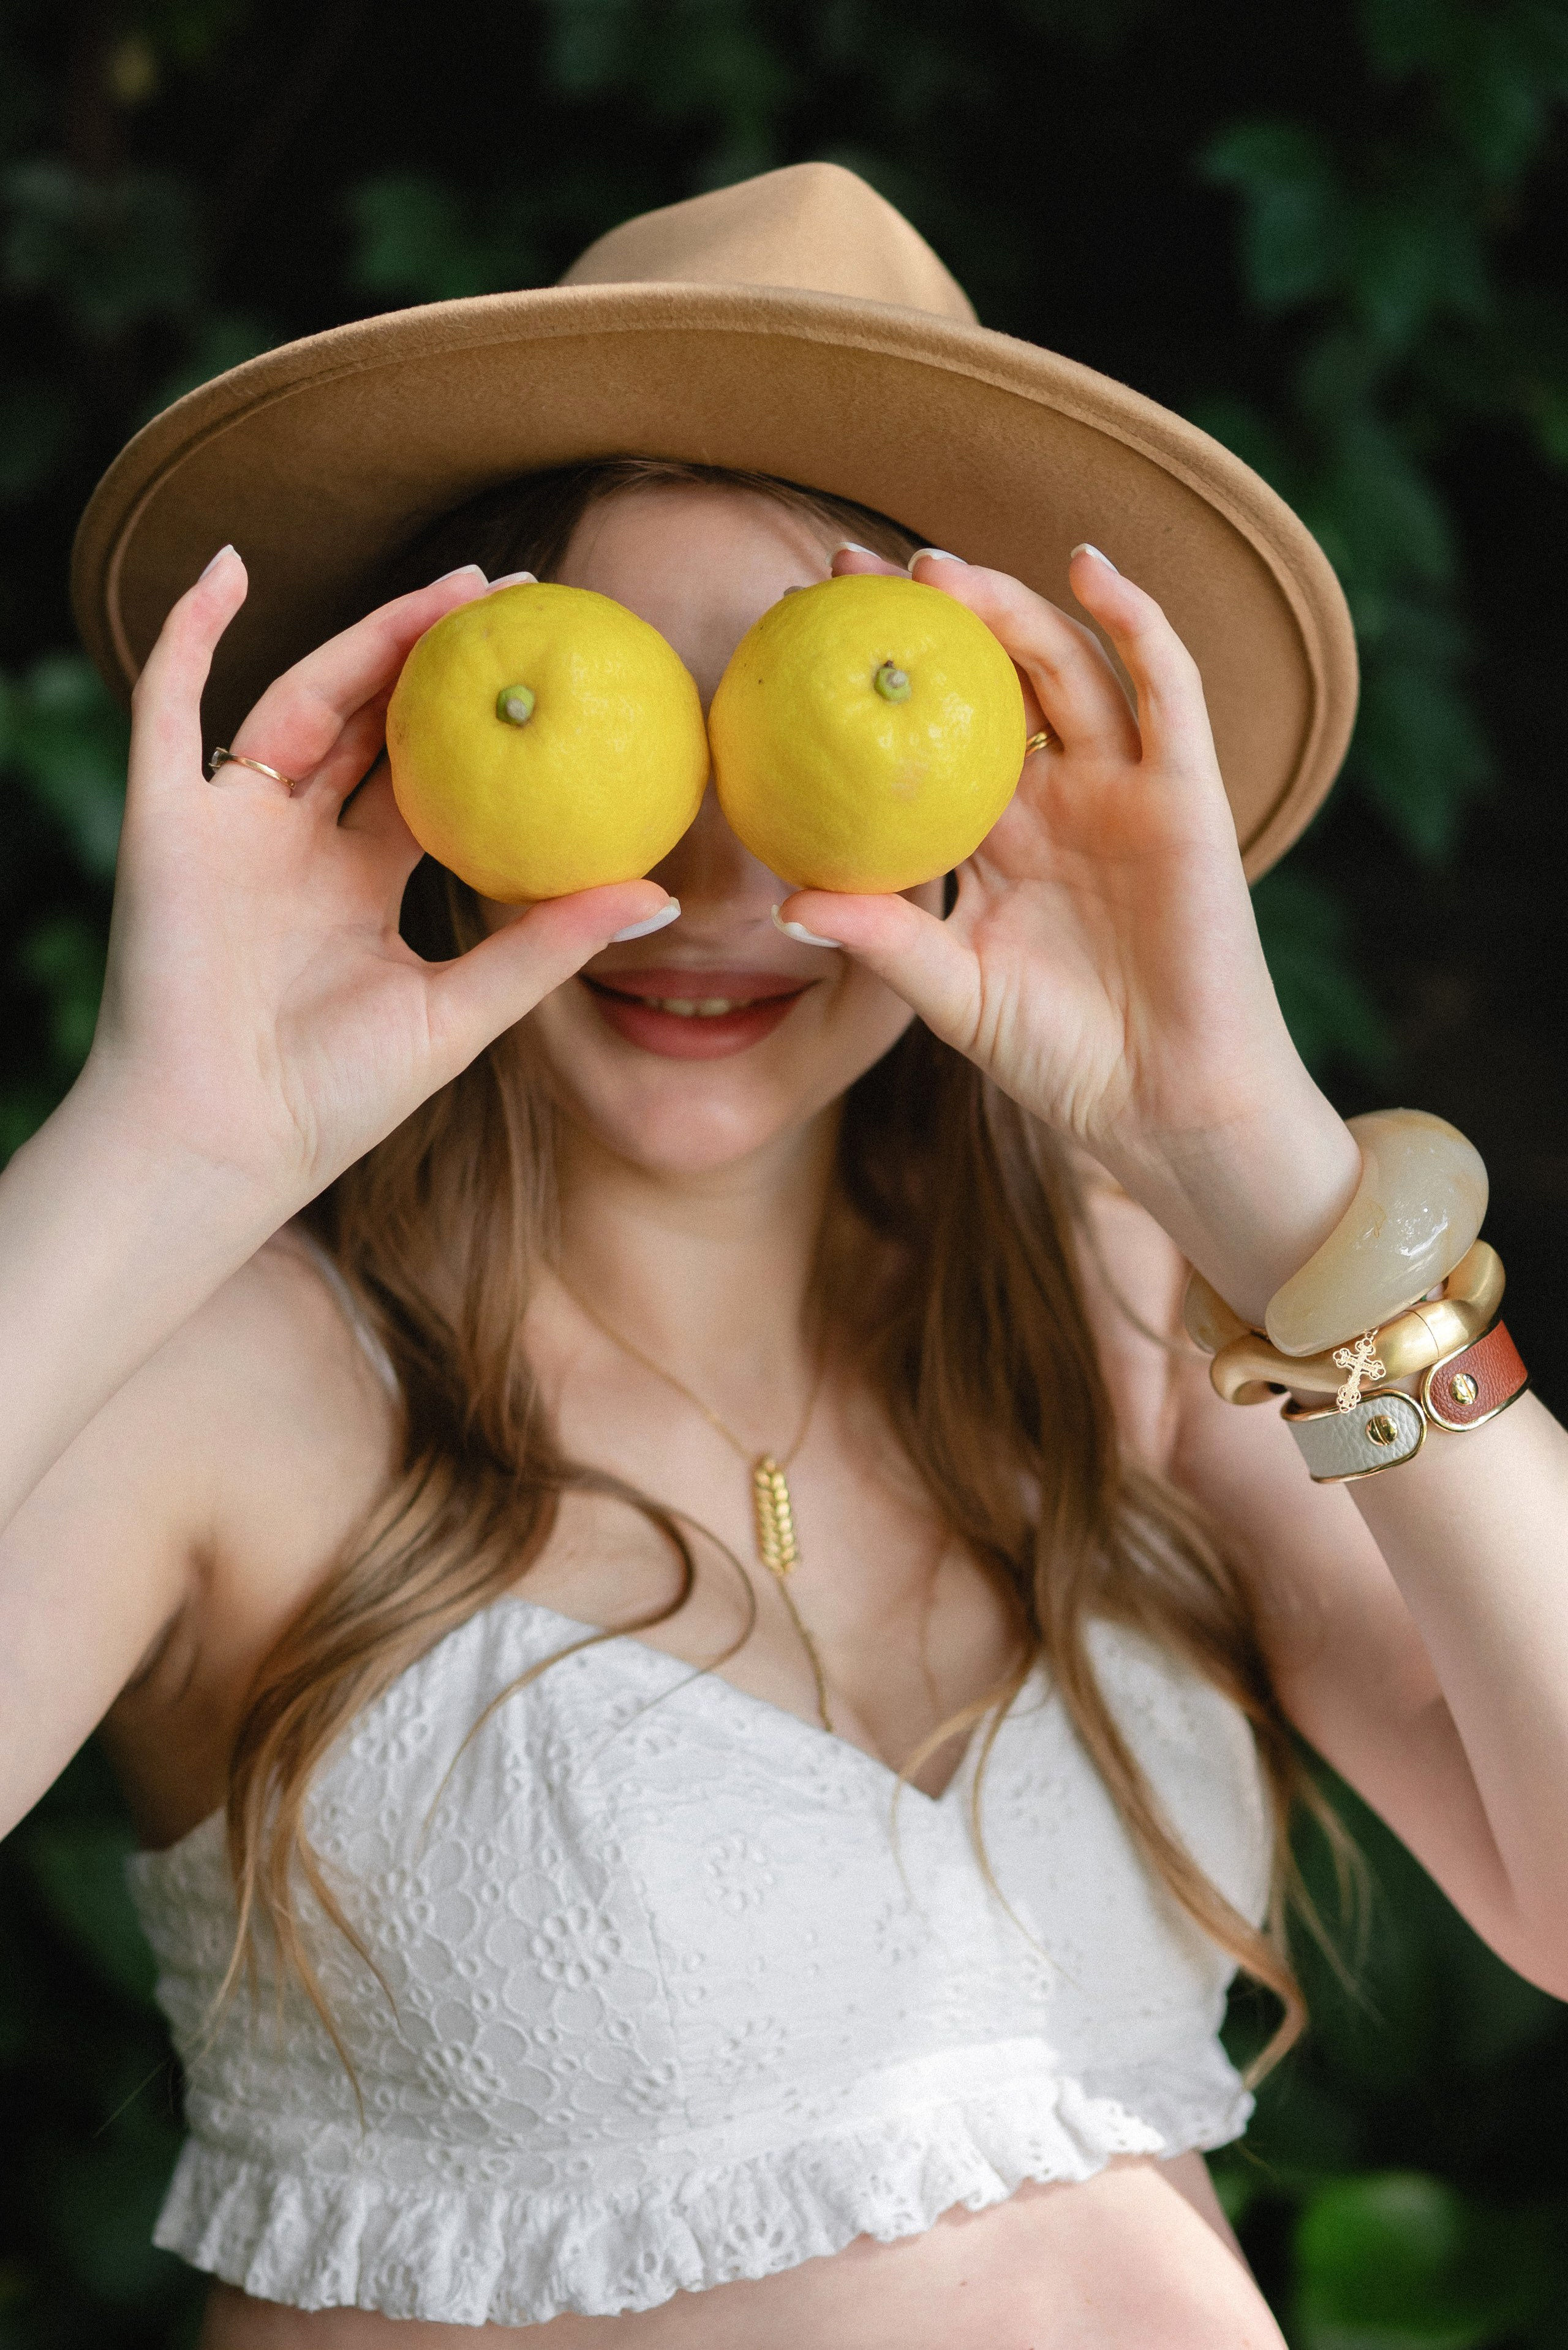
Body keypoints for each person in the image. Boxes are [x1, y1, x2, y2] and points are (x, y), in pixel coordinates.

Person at [5, 164, 1567, 2350]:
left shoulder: (1131, 1329)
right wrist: (161, 1148)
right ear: (451, 752)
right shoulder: (233, 1377)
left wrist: (1258, 1171)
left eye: (821, 726)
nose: (721, 878)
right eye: (634, 721)